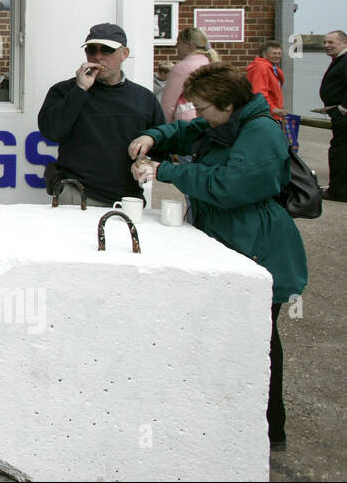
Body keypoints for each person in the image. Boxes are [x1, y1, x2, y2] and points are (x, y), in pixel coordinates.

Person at [129, 63, 309, 449]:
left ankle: (268, 428)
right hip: (227, 236)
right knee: (223, 332)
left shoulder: (260, 132)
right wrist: (151, 136)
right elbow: (184, 131)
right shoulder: (225, 122)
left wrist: (166, 173)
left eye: (204, 107)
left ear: (228, 104)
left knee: (258, 338)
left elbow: (230, 187)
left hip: (257, 244)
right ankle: (223, 417)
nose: (198, 115)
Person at [37, 23, 164, 206]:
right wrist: (80, 90)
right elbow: (52, 131)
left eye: (106, 50)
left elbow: (162, 147)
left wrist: (146, 163)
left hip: (127, 198)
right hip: (78, 194)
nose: (98, 57)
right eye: (91, 50)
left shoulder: (144, 99)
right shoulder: (65, 91)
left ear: (124, 54)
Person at [160, 26, 218, 122]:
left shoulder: (182, 68)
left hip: (186, 123)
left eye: (178, 42)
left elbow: (168, 105)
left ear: (189, 45)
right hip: (209, 119)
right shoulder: (211, 62)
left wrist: (165, 129)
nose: (176, 46)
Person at [320, 29, 347, 201]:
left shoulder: (345, 61)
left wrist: (342, 109)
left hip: (343, 116)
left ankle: (339, 191)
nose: (326, 46)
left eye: (331, 42)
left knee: (340, 152)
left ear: (344, 43)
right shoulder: (341, 60)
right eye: (325, 42)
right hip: (337, 112)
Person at [245, 39, 285, 120]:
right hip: (265, 115)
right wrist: (273, 108)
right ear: (264, 54)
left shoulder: (273, 68)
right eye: (274, 53)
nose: (277, 56)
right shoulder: (261, 68)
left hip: (271, 114)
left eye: (279, 53)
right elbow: (259, 93)